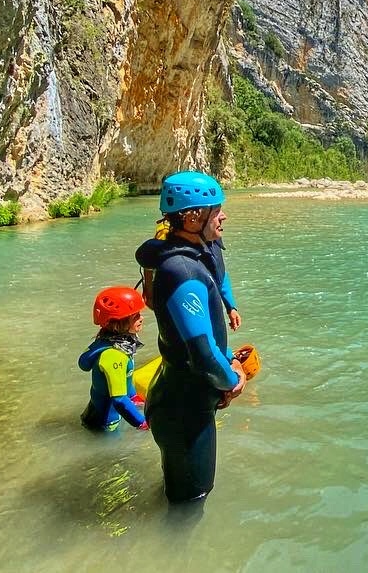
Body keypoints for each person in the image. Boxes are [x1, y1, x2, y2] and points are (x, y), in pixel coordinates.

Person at [136, 171, 246, 505]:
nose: (223, 215)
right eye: (217, 209)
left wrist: (224, 368)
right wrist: (232, 379)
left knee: (183, 494)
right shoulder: (182, 273)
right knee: (189, 504)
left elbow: (202, 346)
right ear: (193, 216)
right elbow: (201, 353)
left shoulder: (193, 257)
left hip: (185, 400)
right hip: (182, 412)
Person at [78, 286, 149, 432]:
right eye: (135, 316)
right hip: (105, 424)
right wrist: (143, 423)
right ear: (117, 323)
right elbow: (119, 400)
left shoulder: (116, 342)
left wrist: (134, 396)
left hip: (102, 413)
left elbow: (126, 377)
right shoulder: (114, 356)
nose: (141, 318)